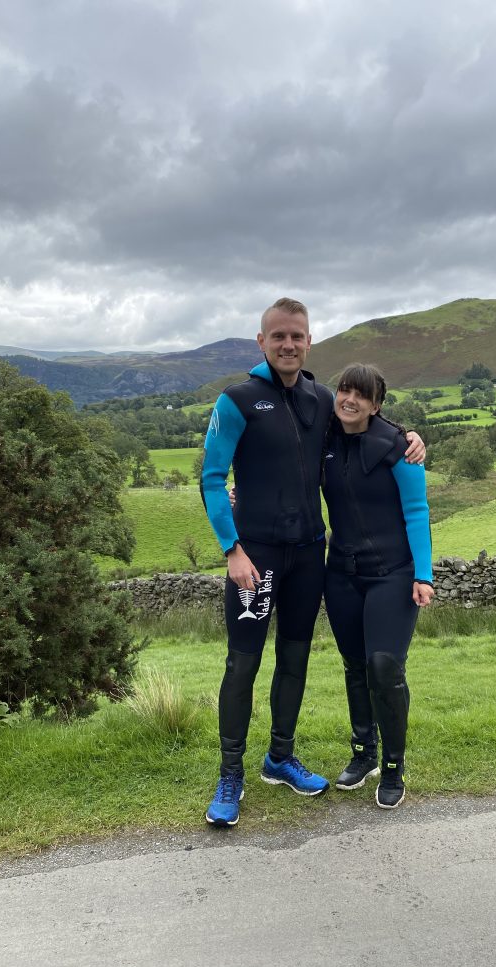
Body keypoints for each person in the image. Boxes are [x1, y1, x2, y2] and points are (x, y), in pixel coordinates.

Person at [200, 298, 424, 827]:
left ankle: (280, 757)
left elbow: (368, 420)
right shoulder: (236, 400)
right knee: (243, 663)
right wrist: (231, 550)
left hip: (308, 556)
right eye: (277, 336)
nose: (288, 345)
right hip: (253, 557)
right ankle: (230, 772)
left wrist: (412, 437)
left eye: (297, 336)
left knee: (295, 657)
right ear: (261, 341)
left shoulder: (321, 399)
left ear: (308, 340)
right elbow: (211, 477)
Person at [323, 363, 434, 808]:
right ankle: (363, 753)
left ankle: (392, 766)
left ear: (376, 404)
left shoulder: (398, 446)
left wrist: (423, 574)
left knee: (384, 667)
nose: (349, 399)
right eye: (344, 390)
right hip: (342, 572)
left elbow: (417, 511)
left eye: (361, 395)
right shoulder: (324, 441)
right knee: (354, 666)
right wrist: (240, 493)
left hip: (393, 572)